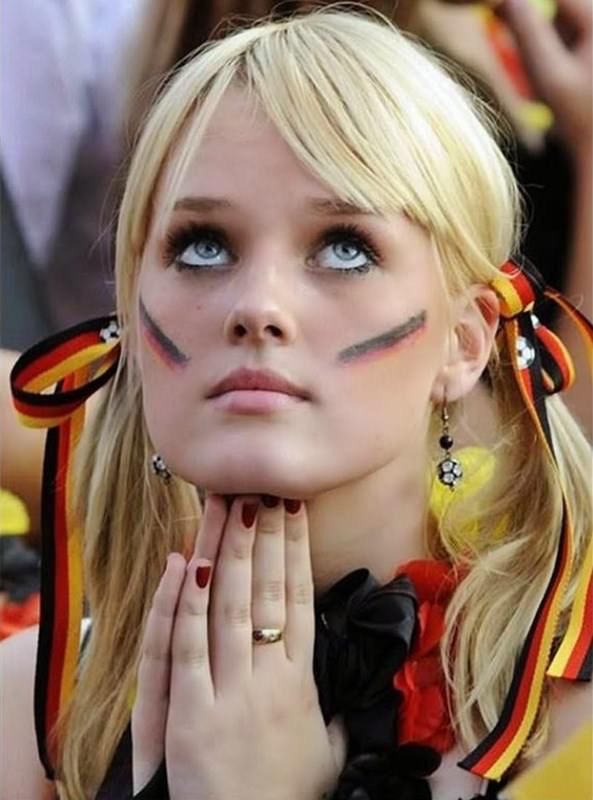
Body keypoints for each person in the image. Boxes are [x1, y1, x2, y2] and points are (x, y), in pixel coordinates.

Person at [0, 9, 591, 800]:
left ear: (465, 340)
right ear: (131, 319)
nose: (257, 306)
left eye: (344, 247)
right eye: (202, 245)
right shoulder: (31, 709)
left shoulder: (562, 725)